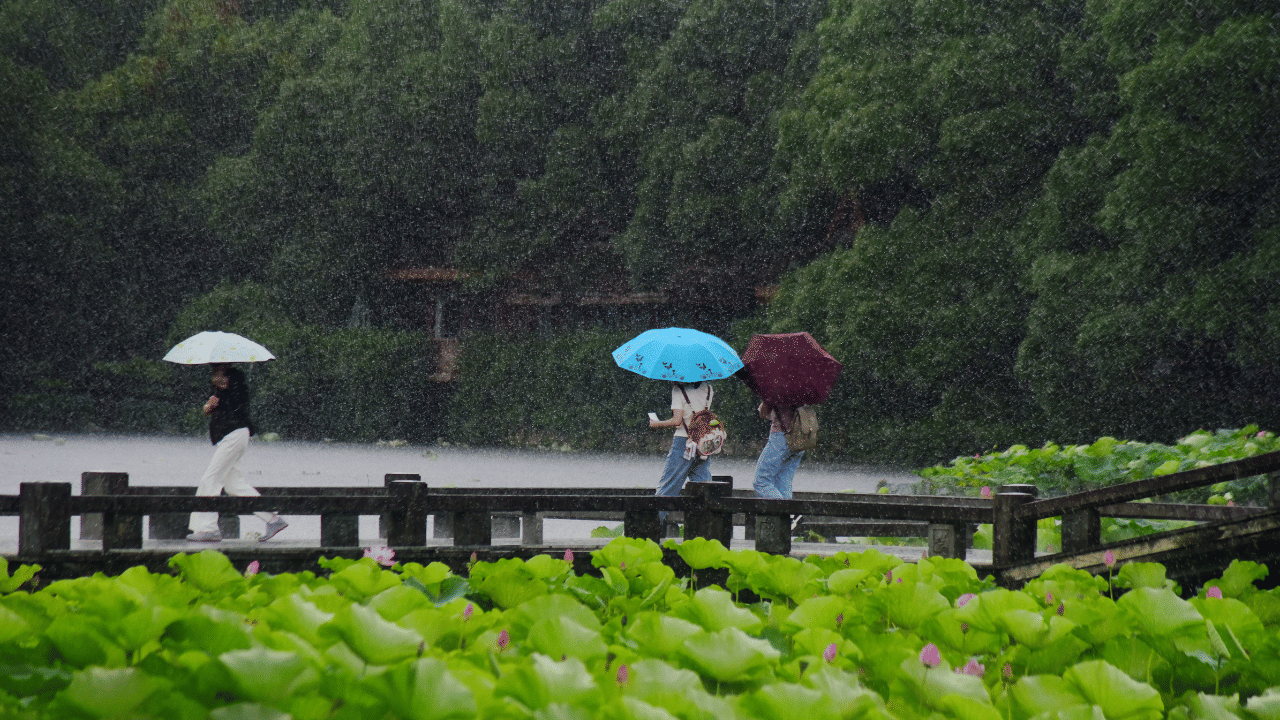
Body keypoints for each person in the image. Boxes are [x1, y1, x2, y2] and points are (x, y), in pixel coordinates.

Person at [187, 363, 288, 542]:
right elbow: (208, 409)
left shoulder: (236, 377)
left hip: (235, 434)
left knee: (209, 479)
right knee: (233, 484)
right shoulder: (216, 384)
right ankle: (273, 519)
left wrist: (218, 379)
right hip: (228, 437)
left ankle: (208, 528)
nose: (212, 367)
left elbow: (228, 390)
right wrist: (208, 407)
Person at [650, 380, 715, 517]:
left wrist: (656, 424)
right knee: (704, 489)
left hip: (683, 442)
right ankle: (709, 528)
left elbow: (677, 420)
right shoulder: (708, 388)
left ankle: (651, 528)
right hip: (702, 443)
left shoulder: (678, 390)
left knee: (667, 487)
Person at [752, 401, 803, 499]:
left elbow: (763, 414)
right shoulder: (802, 389)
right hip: (800, 438)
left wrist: (766, 399)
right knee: (783, 483)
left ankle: (780, 509)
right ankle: (787, 512)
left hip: (780, 437)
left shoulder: (776, 389)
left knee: (761, 482)